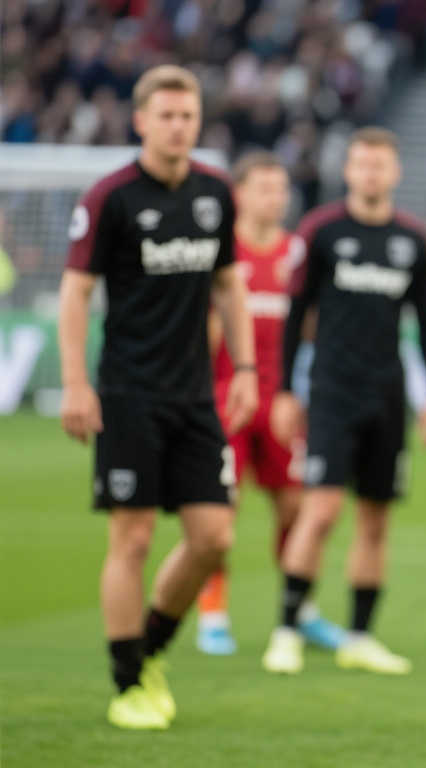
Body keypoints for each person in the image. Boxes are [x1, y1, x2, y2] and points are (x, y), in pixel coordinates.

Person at [58, 65, 257, 730]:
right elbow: (76, 293)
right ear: (141, 121)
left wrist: (247, 369)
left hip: (195, 395)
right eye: (166, 116)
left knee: (214, 538)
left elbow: (228, 283)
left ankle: (148, 649)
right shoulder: (110, 198)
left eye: (187, 116)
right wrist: (77, 383)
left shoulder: (214, 193)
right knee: (134, 537)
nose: (178, 126)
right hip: (128, 394)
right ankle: (126, 683)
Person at [261, 126, 426, 676]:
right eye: (362, 164)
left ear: (394, 172)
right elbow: (296, 313)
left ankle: (359, 637)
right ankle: (287, 629)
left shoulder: (413, 241)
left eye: (379, 165)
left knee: (375, 522)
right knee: (319, 513)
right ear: (348, 171)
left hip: (387, 396)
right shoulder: (321, 231)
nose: (370, 174)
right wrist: (286, 390)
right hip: (331, 393)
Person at [195, 151, 345, 655]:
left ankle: (300, 610)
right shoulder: (221, 253)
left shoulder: (296, 255)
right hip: (226, 401)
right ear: (238, 195)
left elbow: (314, 325)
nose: (275, 198)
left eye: (281, 189)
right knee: (220, 513)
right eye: (264, 188)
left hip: (282, 404)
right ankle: (213, 615)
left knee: (297, 509)